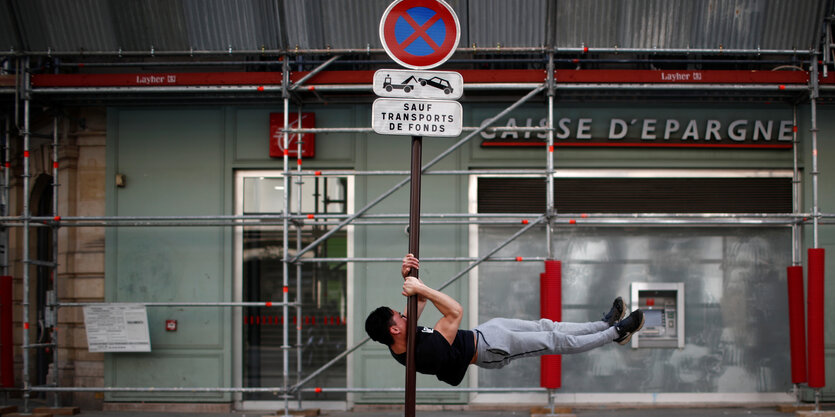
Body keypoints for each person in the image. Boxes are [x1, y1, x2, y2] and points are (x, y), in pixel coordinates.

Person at [365, 254, 645, 386]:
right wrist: (421, 288)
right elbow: (454, 311)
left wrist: (409, 277)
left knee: (547, 326)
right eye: (399, 316)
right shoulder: (423, 353)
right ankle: (616, 333)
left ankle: (604, 324)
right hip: (491, 349)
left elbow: (421, 300)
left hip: (484, 332)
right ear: (393, 329)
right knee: (554, 341)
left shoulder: (400, 340)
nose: (404, 314)